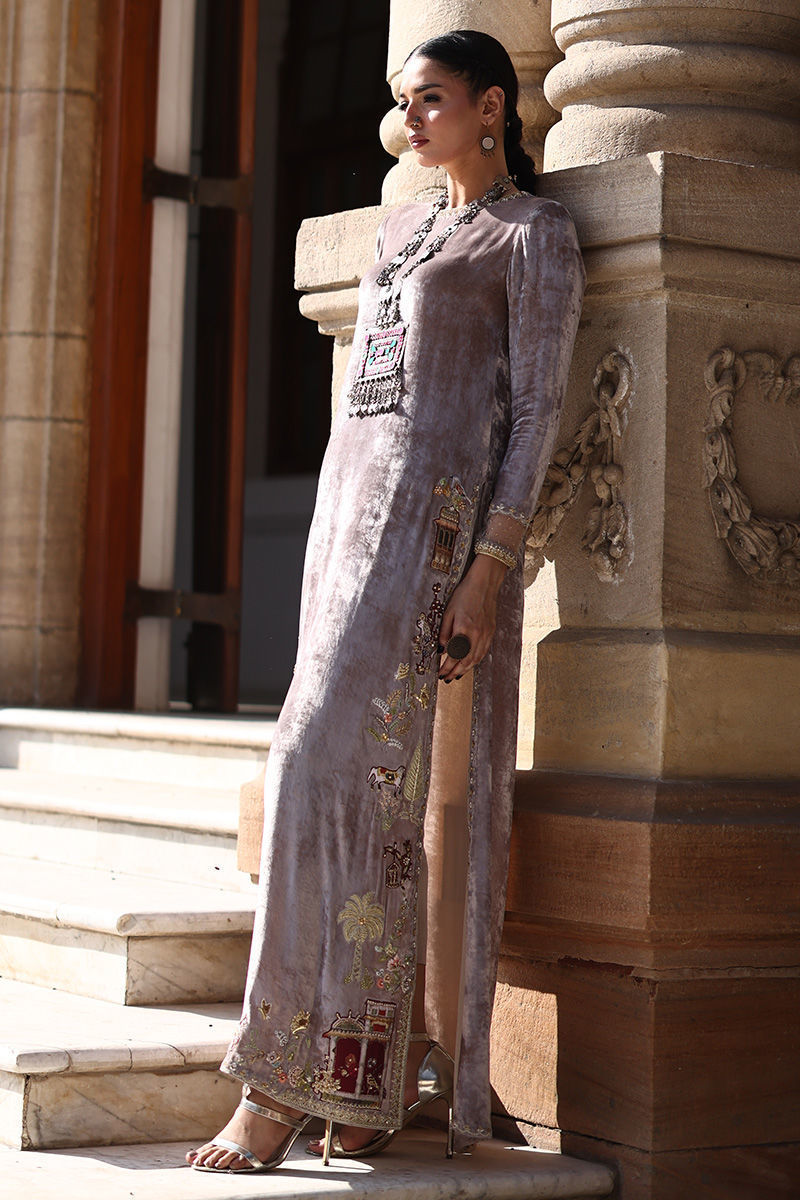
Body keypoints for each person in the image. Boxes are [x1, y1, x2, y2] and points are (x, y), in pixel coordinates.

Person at [187, 28, 585, 1175]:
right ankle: (369, 1072)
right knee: (342, 788)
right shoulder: (400, 230)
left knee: (322, 771)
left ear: (491, 108)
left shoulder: (532, 236)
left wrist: (488, 569)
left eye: (429, 100)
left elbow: (534, 414)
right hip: (344, 527)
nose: (408, 121)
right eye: (403, 101)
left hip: (430, 540)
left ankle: (279, 1085)